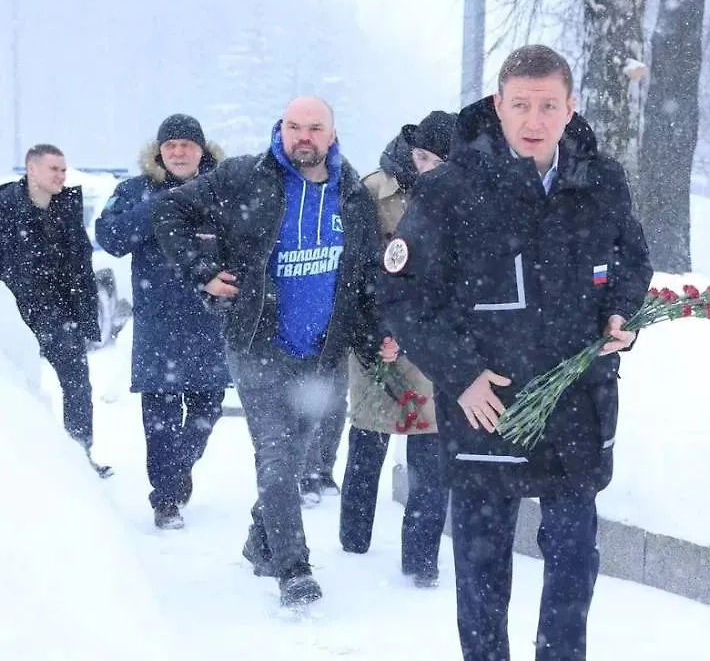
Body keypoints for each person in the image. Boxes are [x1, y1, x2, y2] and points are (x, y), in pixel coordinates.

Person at [378, 45, 653, 660]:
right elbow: (401, 296)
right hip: (489, 410)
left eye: (549, 105)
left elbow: (632, 261)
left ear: (570, 106)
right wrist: (462, 376)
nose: (535, 120)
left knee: (574, 568)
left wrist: (622, 315)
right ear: (498, 106)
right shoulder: (451, 190)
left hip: (577, 405)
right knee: (482, 572)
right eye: (522, 105)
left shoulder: (601, 181)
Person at [151, 96, 398, 607]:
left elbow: (367, 278)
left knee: (299, 453)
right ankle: (293, 569)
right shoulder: (246, 176)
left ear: (332, 134)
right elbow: (169, 210)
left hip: (323, 352)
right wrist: (203, 272)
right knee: (279, 456)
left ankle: (258, 539)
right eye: (293, 126)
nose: (303, 136)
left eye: (314, 128)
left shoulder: (351, 194)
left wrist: (377, 337)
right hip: (258, 343)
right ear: (281, 129)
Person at [329, 111, 456, 589]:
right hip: (376, 337)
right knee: (369, 439)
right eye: (425, 158)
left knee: (430, 446)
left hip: (431, 340)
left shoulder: (460, 193)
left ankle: (422, 560)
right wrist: (374, 334)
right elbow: (358, 269)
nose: (431, 168)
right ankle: (354, 544)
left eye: (442, 161)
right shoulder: (371, 191)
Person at [96, 114, 231, 530]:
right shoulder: (135, 191)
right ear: (158, 151)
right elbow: (111, 238)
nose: (177, 152)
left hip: (210, 323)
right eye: (170, 145)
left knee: (208, 410)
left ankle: (178, 472)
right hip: (158, 327)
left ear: (201, 151)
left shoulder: (221, 191)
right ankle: (166, 499)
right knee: (160, 423)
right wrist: (157, 207)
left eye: (186, 145)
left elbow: (248, 241)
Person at [0, 144, 111, 478]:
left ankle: (80, 455)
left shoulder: (66, 206)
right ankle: (20, 460)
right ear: (31, 170)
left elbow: (80, 266)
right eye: (54, 169)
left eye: (63, 170)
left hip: (60, 314)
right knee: (18, 387)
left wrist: (85, 314)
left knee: (77, 384)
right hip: (15, 314)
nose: (61, 176)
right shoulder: (6, 206)